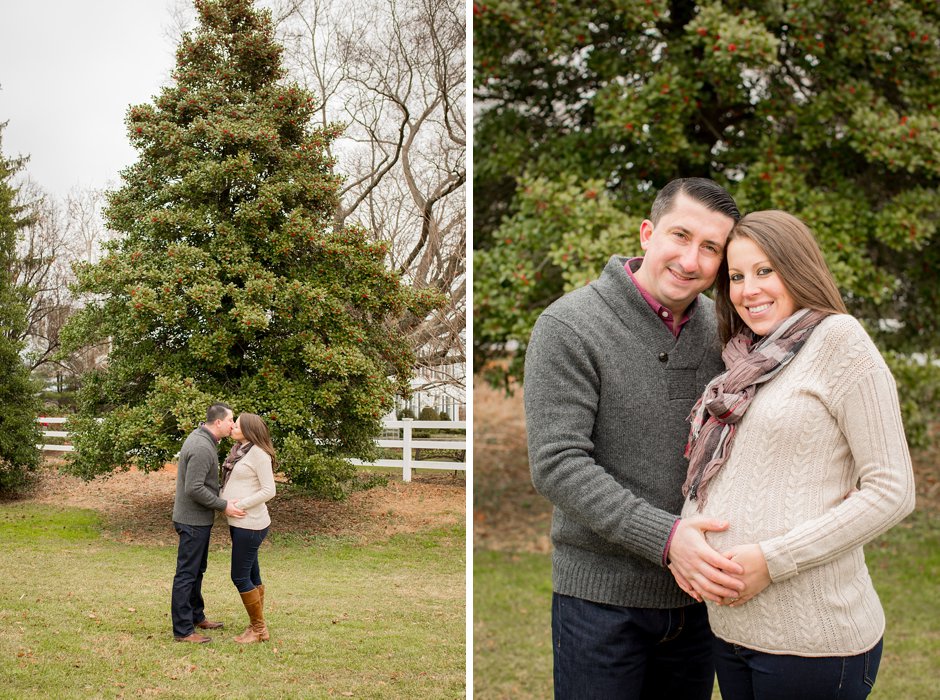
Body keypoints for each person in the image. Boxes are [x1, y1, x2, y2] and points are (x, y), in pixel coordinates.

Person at [525, 177, 747, 699]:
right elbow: (558, 464)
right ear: (648, 233)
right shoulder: (569, 325)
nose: (691, 260)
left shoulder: (726, 331)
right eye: (680, 235)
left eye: (710, 248)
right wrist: (668, 540)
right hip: (600, 605)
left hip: (698, 605)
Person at [679, 210, 916, 699]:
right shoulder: (744, 357)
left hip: (813, 640)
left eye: (765, 271)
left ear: (799, 268)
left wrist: (772, 559)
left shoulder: (839, 341)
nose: (748, 290)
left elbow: (893, 490)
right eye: (737, 276)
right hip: (733, 631)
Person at [171, 402, 246, 643]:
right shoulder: (202, 447)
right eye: (230, 420)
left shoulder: (202, 439)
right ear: (218, 423)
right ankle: (183, 630)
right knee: (187, 574)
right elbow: (193, 489)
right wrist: (224, 505)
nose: (233, 425)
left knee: (197, 571)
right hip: (192, 521)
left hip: (198, 520)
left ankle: (196, 616)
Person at [220, 412, 277, 644]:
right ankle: (257, 626)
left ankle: (258, 628)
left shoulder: (259, 454)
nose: (232, 426)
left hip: (250, 523)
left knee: (240, 576)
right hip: (239, 523)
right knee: (252, 574)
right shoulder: (239, 452)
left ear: (249, 430)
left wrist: (238, 505)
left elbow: (269, 491)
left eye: (237, 424)